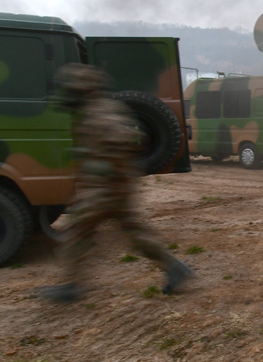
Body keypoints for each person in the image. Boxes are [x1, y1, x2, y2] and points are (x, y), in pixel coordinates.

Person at [40, 64, 194, 302]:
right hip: (112, 186)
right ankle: (175, 268)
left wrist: (101, 168)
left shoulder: (99, 112)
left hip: (104, 189)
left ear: (83, 89)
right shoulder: (100, 109)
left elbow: (127, 139)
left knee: (78, 233)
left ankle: (69, 285)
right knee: (135, 233)